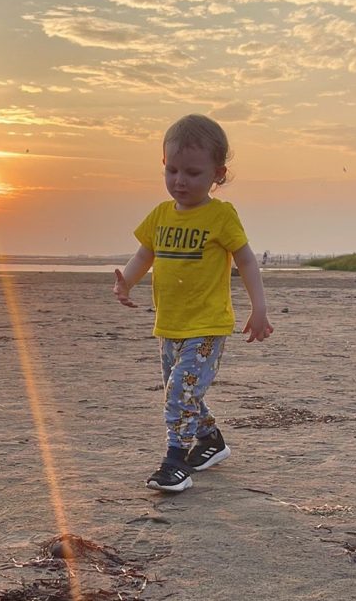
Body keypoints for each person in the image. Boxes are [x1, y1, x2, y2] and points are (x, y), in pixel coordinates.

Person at [113, 114, 274, 492]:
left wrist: (259, 308)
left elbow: (247, 260)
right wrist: (127, 282)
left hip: (207, 326)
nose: (180, 181)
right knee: (182, 390)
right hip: (169, 325)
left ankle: (175, 461)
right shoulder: (160, 215)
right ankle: (211, 441)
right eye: (172, 171)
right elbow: (144, 256)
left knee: (178, 393)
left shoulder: (221, 215)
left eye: (193, 173)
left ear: (217, 175)